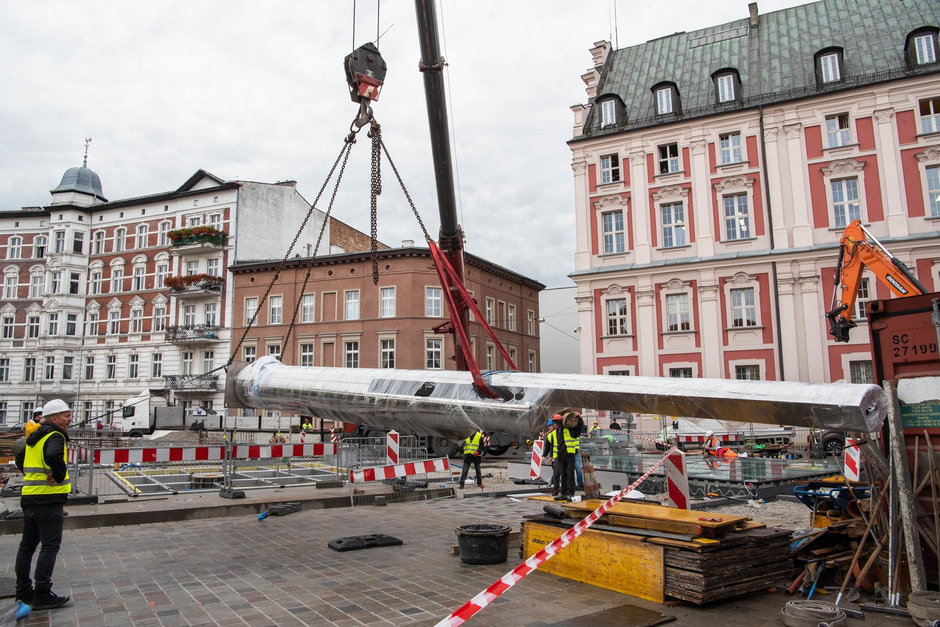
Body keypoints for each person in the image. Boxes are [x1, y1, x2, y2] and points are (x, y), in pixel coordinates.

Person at [14, 399, 73, 611]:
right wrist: (57, 474)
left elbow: (20, 457)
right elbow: (53, 455)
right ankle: (42, 593)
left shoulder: (33, 437)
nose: (70, 419)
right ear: (54, 418)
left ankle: (23, 591)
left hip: (29, 497)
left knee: (27, 546)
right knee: (49, 547)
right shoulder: (55, 435)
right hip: (48, 500)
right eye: (66, 415)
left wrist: (31, 475)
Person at [547, 410, 581, 501]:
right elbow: (551, 444)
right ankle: (563, 494)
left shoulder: (569, 429)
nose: (555, 425)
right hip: (560, 456)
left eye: (556, 423)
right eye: (554, 424)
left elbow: (578, 429)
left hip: (569, 455)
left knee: (570, 474)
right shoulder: (556, 431)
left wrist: (579, 419)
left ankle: (571, 494)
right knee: (563, 475)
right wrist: (551, 455)